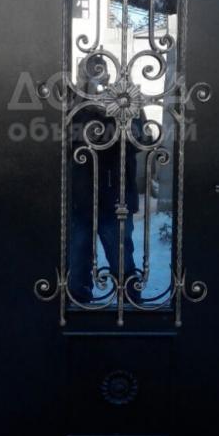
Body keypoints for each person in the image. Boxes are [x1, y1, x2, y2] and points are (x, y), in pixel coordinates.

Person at [68, 53, 145, 305]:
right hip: (80, 195)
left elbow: (140, 141)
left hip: (116, 195)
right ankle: (77, 303)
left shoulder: (125, 99)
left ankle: (130, 302)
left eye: (100, 71)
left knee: (121, 255)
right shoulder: (71, 103)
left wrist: (119, 115)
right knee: (77, 256)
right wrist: (84, 102)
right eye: (89, 72)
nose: (96, 77)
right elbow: (66, 141)